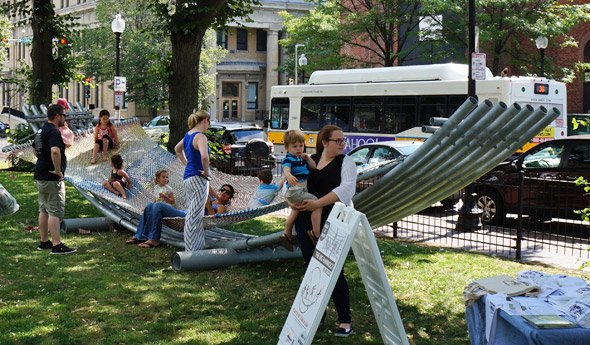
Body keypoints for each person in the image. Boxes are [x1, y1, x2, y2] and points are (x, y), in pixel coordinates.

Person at [292, 125, 357, 337]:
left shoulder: (346, 162)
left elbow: (346, 190)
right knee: (311, 269)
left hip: (333, 221)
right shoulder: (310, 159)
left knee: (334, 270)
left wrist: (317, 203)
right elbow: (295, 182)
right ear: (325, 142)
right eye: (338, 140)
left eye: (343, 140)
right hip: (305, 220)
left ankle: (344, 319)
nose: (342, 144)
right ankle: (315, 316)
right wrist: (294, 200)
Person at [33, 104, 76, 254]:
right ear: (57, 116)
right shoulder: (53, 131)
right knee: (54, 211)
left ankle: (44, 242)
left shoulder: (40, 130)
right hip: (51, 176)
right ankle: (57, 245)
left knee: (44, 209)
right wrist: (58, 170)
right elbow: (55, 151)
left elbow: (35, 148)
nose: (65, 118)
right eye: (64, 115)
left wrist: (42, 159)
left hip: (40, 174)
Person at [174, 110, 211, 251]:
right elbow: (204, 157)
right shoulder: (200, 137)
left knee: (195, 213)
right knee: (194, 215)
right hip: (198, 178)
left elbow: (177, 149)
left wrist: (187, 163)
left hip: (188, 177)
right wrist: (206, 173)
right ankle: (190, 250)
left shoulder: (188, 135)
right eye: (209, 122)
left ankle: (197, 247)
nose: (208, 125)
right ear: (205, 120)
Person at [126, 169, 185, 248]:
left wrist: (165, 197)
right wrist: (147, 208)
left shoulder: (168, 189)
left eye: (167, 177)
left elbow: (172, 202)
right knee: (150, 205)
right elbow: (155, 200)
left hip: (168, 209)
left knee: (157, 205)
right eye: (163, 177)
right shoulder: (156, 188)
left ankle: (154, 239)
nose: (166, 179)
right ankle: (139, 236)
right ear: (158, 179)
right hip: (158, 208)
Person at [281, 130, 320, 247]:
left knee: (295, 211)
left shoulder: (301, 158)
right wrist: (288, 175)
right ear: (287, 147)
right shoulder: (289, 158)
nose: (299, 149)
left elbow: (314, 167)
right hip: (296, 191)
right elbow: (286, 169)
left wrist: (307, 158)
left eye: (301, 146)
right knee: (317, 203)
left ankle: (286, 234)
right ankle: (315, 232)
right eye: (295, 146)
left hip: (297, 192)